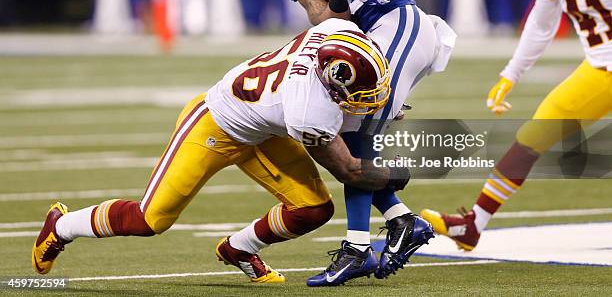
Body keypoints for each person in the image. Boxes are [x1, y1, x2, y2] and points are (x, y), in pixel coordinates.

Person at [32, 18, 412, 283]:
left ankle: (238, 250)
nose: (369, 102)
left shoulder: (337, 32)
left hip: (262, 127)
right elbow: (347, 170)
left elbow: (329, 16)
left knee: (314, 210)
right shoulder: (308, 111)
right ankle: (61, 226)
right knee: (150, 220)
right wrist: (399, 173)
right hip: (215, 123)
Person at [251, 0, 453, 285]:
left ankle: (358, 248)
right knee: (340, 132)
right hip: (363, 43)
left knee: (358, 132)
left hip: (397, 24)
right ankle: (401, 220)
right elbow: (329, 21)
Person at [421, 0, 612, 251]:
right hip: (600, 67)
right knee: (531, 138)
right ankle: (473, 224)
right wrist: (511, 73)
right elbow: (541, 25)